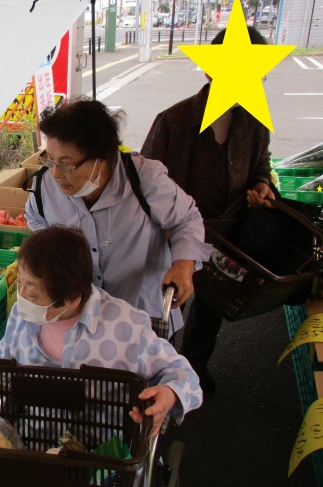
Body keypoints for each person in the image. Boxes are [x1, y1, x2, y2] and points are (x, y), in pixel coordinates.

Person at [140, 26, 274, 393]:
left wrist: (262, 185)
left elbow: (261, 164)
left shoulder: (256, 121)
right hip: (173, 236)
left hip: (228, 234)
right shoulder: (173, 121)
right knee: (166, 307)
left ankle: (195, 368)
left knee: (211, 308)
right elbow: (144, 180)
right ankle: (157, 374)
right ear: (209, 69)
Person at [25, 98, 211, 335]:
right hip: (80, 313)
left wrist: (184, 263)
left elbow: (186, 219)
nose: (55, 173)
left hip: (141, 310)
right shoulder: (44, 186)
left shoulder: (144, 178)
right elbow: (35, 219)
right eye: (49, 159)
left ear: (101, 159)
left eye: (66, 164)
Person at [0, 226, 203, 436]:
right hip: (32, 442)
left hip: (102, 452)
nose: (20, 296)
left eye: (32, 293)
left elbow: (185, 376)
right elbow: (2, 363)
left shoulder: (127, 328)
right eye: (20, 282)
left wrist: (169, 394)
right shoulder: (21, 317)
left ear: (72, 299)